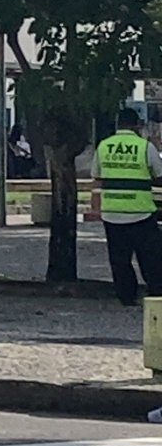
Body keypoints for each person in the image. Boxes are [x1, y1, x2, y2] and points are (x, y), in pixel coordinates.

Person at [91, 108, 162, 307]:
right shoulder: (144, 147)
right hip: (140, 211)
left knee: (119, 260)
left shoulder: (104, 146)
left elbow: (97, 176)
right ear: (136, 125)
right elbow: (159, 175)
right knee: (151, 257)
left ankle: (126, 296)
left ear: (118, 124)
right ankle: (156, 294)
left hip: (112, 212)